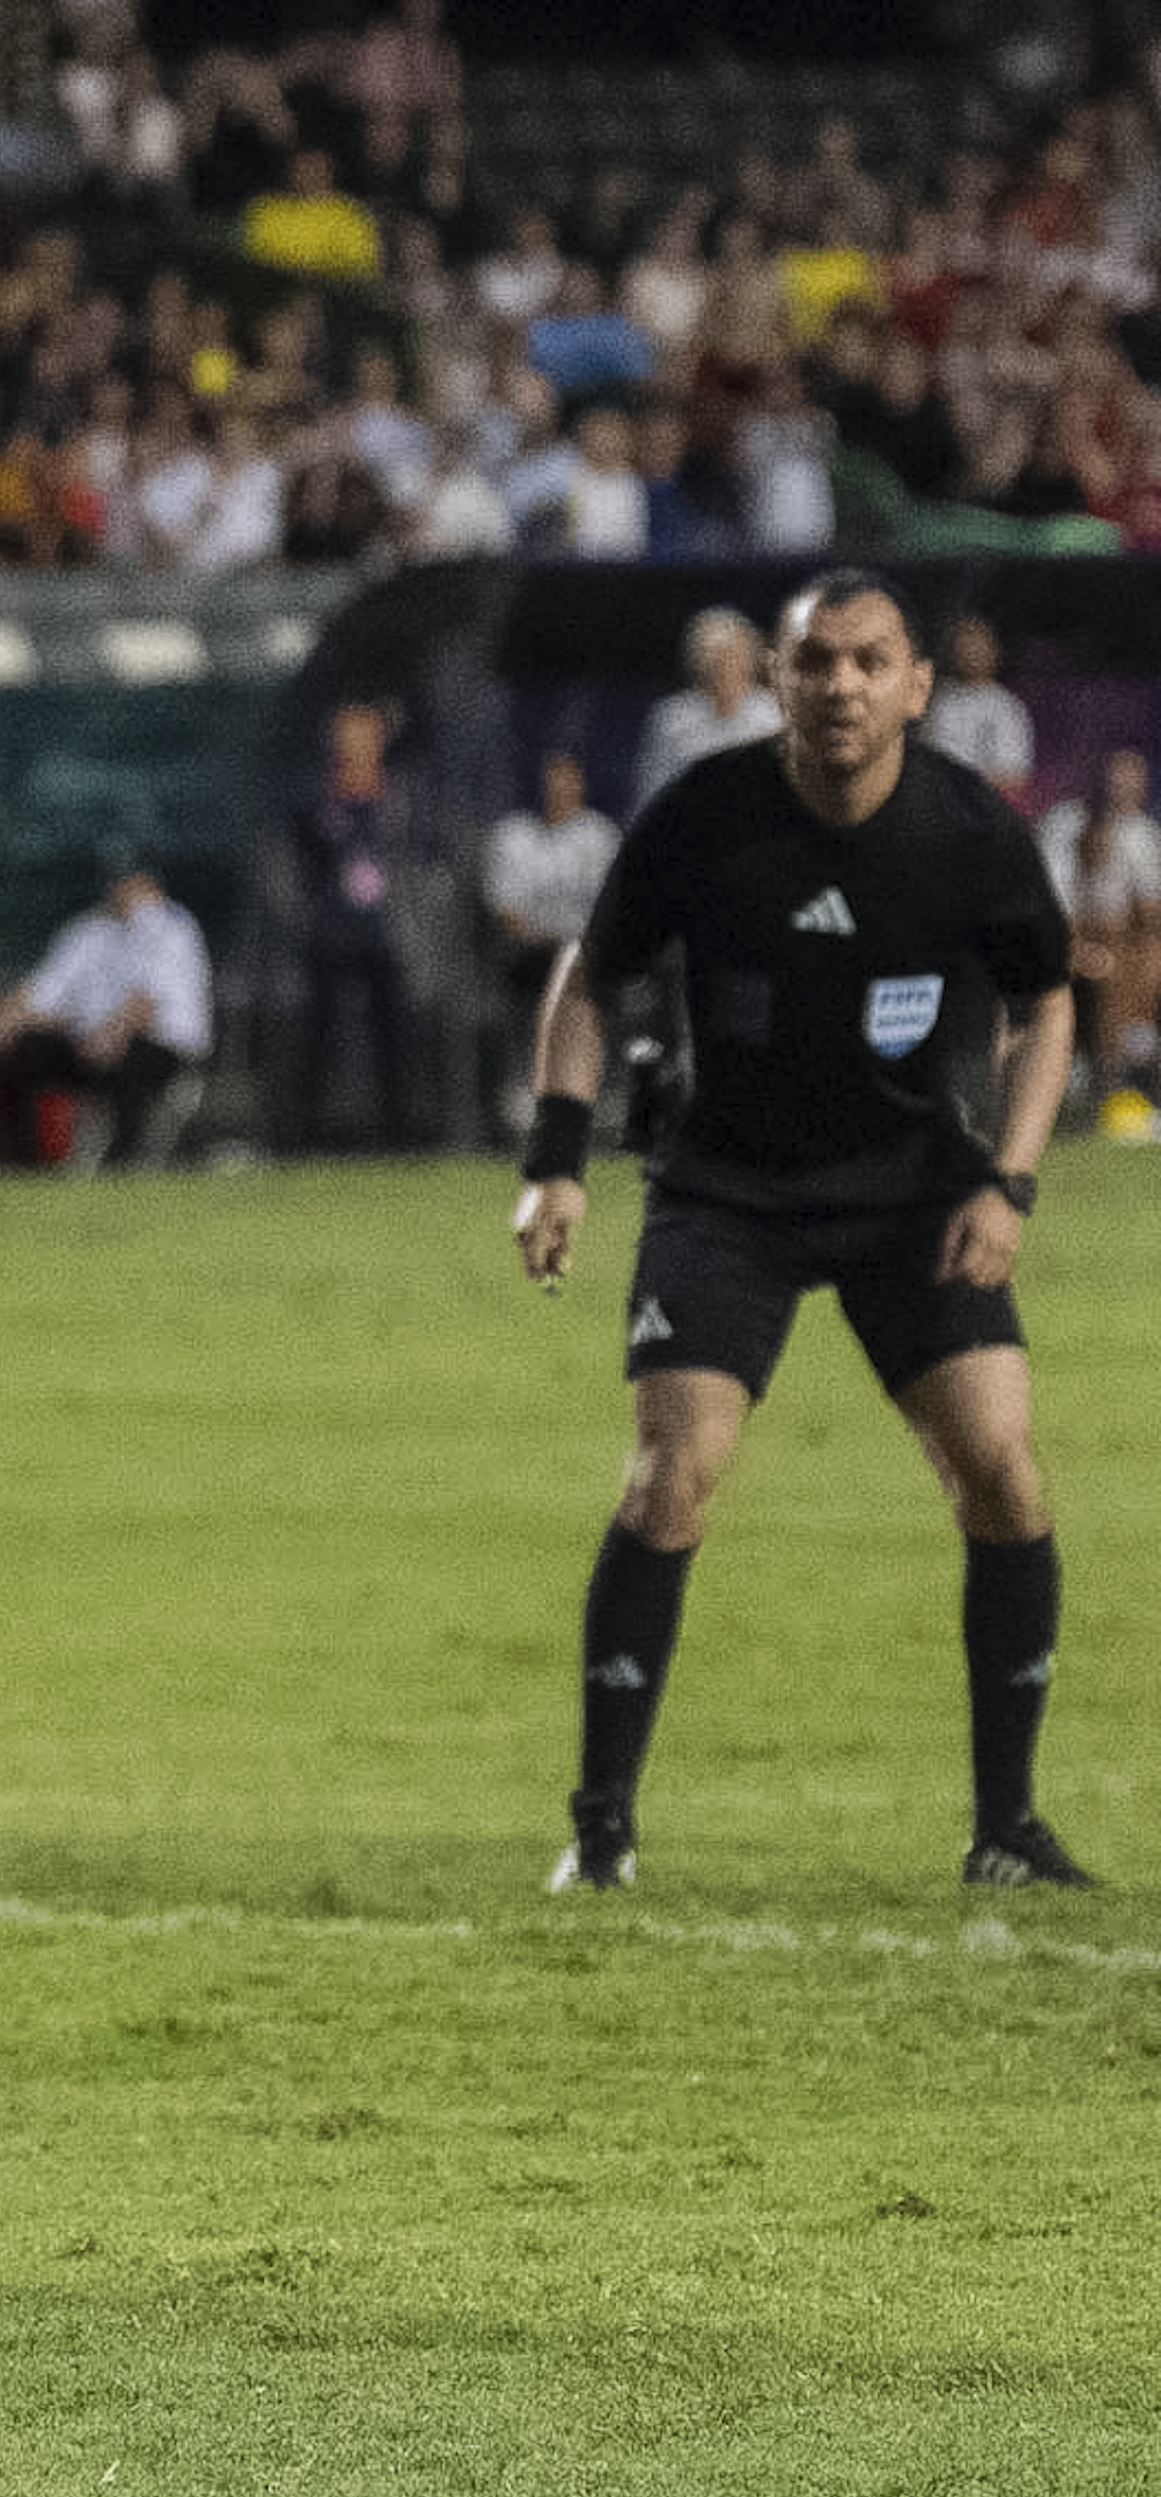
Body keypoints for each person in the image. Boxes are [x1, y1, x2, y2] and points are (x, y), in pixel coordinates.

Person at [514, 570, 1092, 1895]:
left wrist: (1008, 1181)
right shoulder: (704, 817)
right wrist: (556, 1165)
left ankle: (1007, 1827)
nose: (841, 685)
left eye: (868, 661)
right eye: (815, 661)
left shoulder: (967, 830)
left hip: (914, 1196)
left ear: (916, 685)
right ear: (775, 679)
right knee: (672, 1475)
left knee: (1002, 1469)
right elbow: (586, 977)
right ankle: (601, 1828)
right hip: (730, 1193)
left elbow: (1049, 1000)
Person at [270, 699, 433, 1154]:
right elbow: (283, 870)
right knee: (318, 1032)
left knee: (395, 1033)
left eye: (362, 737)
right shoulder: (312, 802)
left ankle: (402, 1131)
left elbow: (431, 860)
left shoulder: (403, 801)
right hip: (328, 933)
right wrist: (304, 918)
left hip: (391, 933)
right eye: (343, 737)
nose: (352, 747)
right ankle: (306, 1133)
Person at [0, 856, 209, 1167]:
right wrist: (8, 1017)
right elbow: (45, 990)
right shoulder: (90, 929)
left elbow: (147, 1003)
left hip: (158, 1046)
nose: (121, 890)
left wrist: (110, 1034)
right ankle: (27, 1162)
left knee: (130, 1064)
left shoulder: (172, 926)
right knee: (26, 1053)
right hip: (90, 1041)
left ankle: (123, 1166)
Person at [483, 752, 621, 1123]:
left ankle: (600, 1090)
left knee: (594, 966)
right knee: (536, 968)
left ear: (581, 784)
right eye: (551, 779)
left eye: (567, 779)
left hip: (587, 950)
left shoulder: (600, 835)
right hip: (533, 952)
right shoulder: (514, 836)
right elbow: (509, 915)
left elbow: (611, 909)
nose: (558, 788)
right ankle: (526, 1091)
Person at [1033, 746, 1161, 1115]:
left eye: (1132, 777)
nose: (1121, 786)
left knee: (1120, 975)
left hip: (1114, 942)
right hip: (1061, 934)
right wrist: (1078, 950)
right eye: (1115, 776)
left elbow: (1148, 916)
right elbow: (1053, 904)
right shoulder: (1065, 823)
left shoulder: (1141, 835)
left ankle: (1115, 1089)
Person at [635, 607, 780, 799]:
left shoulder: (776, 715)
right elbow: (651, 791)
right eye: (714, 661)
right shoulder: (670, 718)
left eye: (733, 657)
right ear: (697, 667)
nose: (724, 669)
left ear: (749, 661)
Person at [917, 616, 1033, 808]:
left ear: (993, 651)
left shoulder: (1005, 709)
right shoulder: (938, 699)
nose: (969, 652)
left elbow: (1011, 780)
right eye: (963, 644)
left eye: (977, 645)